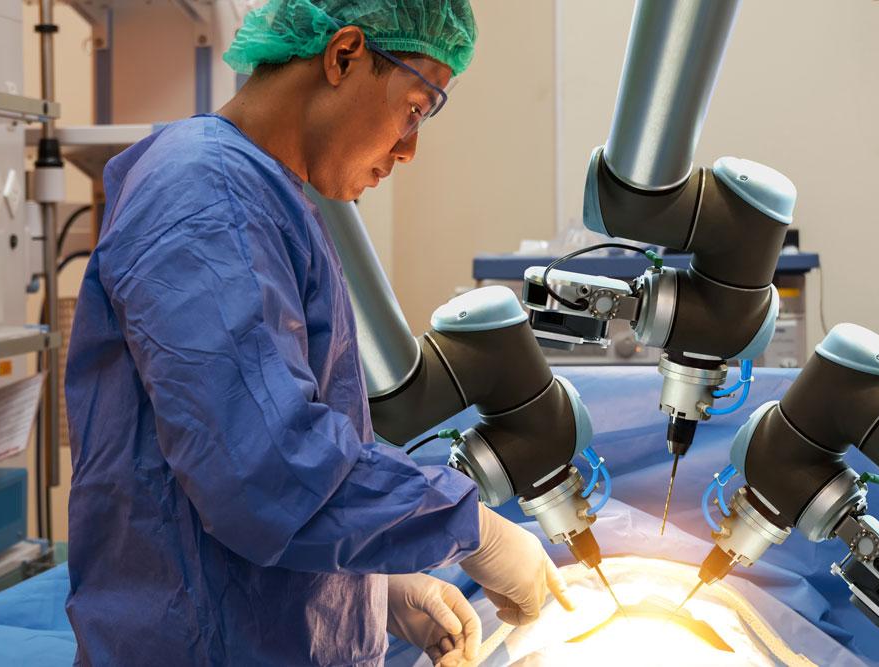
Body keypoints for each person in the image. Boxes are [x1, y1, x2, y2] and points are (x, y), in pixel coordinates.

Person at [64, 1, 571, 665]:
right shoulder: (207, 200)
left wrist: (372, 590)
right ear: (344, 55)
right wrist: (472, 528)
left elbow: (241, 463)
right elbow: (263, 470)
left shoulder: (264, 198)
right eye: (415, 109)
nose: (409, 150)